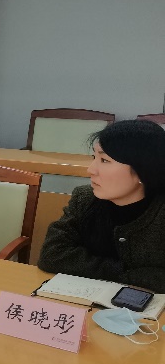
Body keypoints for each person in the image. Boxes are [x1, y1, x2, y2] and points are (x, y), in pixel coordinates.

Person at [38, 120, 165, 291]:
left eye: (104, 160)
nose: (91, 170)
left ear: (143, 170)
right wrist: (125, 273)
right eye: (94, 157)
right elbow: (52, 255)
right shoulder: (84, 199)